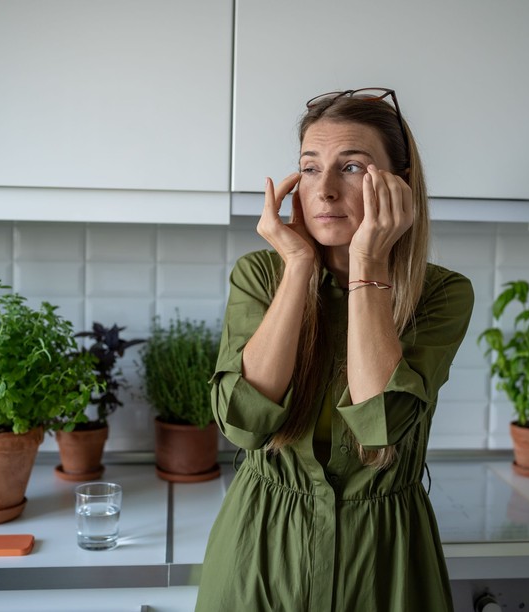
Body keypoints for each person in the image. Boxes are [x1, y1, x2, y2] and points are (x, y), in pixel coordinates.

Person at [195, 88, 474, 611]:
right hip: (259, 554)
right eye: (310, 168)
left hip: (384, 564)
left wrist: (368, 262)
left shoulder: (441, 294)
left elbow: (379, 423)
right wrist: (298, 268)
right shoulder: (259, 276)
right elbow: (243, 422)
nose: (323, 191)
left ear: (399, 185)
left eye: (351, 167)